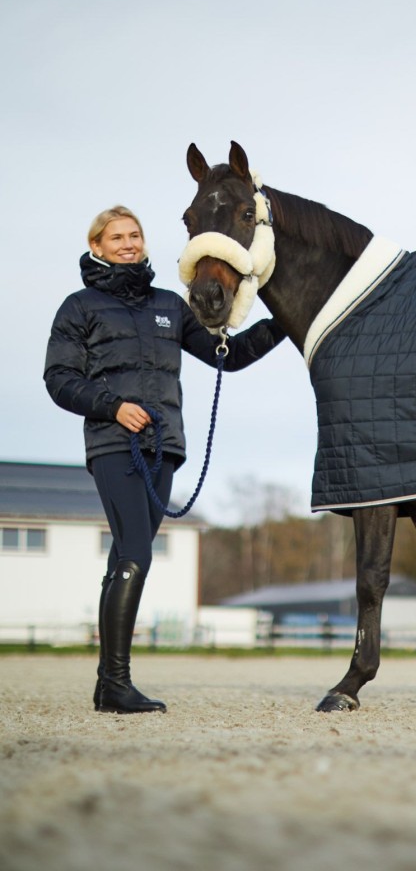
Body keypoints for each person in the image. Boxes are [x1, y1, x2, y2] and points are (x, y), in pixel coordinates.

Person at [44, 206, 286, 715]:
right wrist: (113, 406)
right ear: (98, 246)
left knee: (125, 558)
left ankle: (107, 684)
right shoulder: (79, 306)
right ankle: (117, 682)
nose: (128, 243)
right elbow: (60, 380)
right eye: (116, 237)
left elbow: (230, 355)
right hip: (114, 446)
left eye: (134, 235)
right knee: (136, 553)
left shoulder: (169, 306)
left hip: (165, 447)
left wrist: (283, 319)